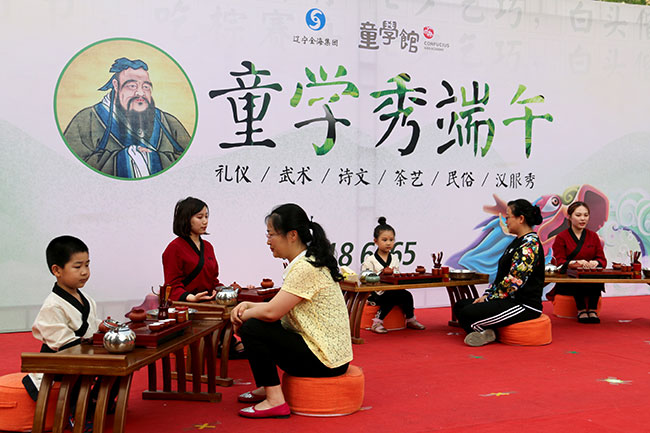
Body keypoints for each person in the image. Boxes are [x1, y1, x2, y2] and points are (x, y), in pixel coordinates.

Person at [231, 203, 353, 419]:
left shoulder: (306, 267)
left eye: (271, 234)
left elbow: (272, 312)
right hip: (327, 353)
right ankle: (267, 387)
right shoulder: (307, 261)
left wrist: (241, 315)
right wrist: (248, 306)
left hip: (325, 360)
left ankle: (275, 400)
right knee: (256, 322)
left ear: (292, 235)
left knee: (252, 327)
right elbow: (278, 306)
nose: (268, 241)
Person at [22, 235, 104, 431]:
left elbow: (91, 323)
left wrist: (105, 327)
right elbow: (63, 342)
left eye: (87, 265)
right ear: (57, 270)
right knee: (80, 367)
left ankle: (98, 401)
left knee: (121, 364)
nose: (85, 272)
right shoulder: (52, 305)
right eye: (77, 266)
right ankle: (75, 413)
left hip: (83, 351)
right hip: (60, 359)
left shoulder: (87, 299)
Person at [64, 57, 190, 178]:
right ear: (116, 85)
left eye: (146, 87)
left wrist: (150, 159)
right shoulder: (87, 119)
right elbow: (71, 166)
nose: (140, 93)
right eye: (132, 86)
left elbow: (188, 160)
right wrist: (128, 157)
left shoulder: (168, 121)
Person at [453, 199, 545, 347]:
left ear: (521, 218)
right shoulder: (517, 242)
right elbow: (501, 278)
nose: (505, 221)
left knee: (466, 313)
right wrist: (487, 295)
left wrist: (489, 299)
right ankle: (487, 331)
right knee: (460, 306)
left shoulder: (529, 245)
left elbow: (514, 281)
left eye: (508, 217)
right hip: (506, 299)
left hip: (523, 304)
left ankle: (486, 332)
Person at [361, 217, 426, 333]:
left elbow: (396, 275)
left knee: (407, 295)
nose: (388, 243)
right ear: (375, 241)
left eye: (391, 240)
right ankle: (377, 322)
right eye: (384, 240)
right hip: (376, 293)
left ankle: (410, 319)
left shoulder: (395, 258)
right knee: (390, 295)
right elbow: (364, 277)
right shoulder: (370, 260)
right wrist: (380, 274)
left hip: (392, 290)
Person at [551, 201, 606, 324]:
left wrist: (595, 263)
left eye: (586, 215)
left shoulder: (593, 236)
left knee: (595, 276)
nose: (583, 219)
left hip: (590, 277)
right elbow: (559, 261)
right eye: (578, 215)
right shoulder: (561, 237)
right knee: (576, 276)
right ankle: (581, 310)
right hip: (569, 279)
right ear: (569, 217)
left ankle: (592, 309)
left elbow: (602, 259)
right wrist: (575, 263)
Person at [162, 197, 221, 303]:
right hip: (185, 305)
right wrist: (191, 298)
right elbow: (172, 285)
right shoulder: (174, 248)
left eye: (206, 216)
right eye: (200, 217)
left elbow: (213, 281)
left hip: (209, 303)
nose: (205, 221)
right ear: (186, 219)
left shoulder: (208, 246)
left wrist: (230, 290)